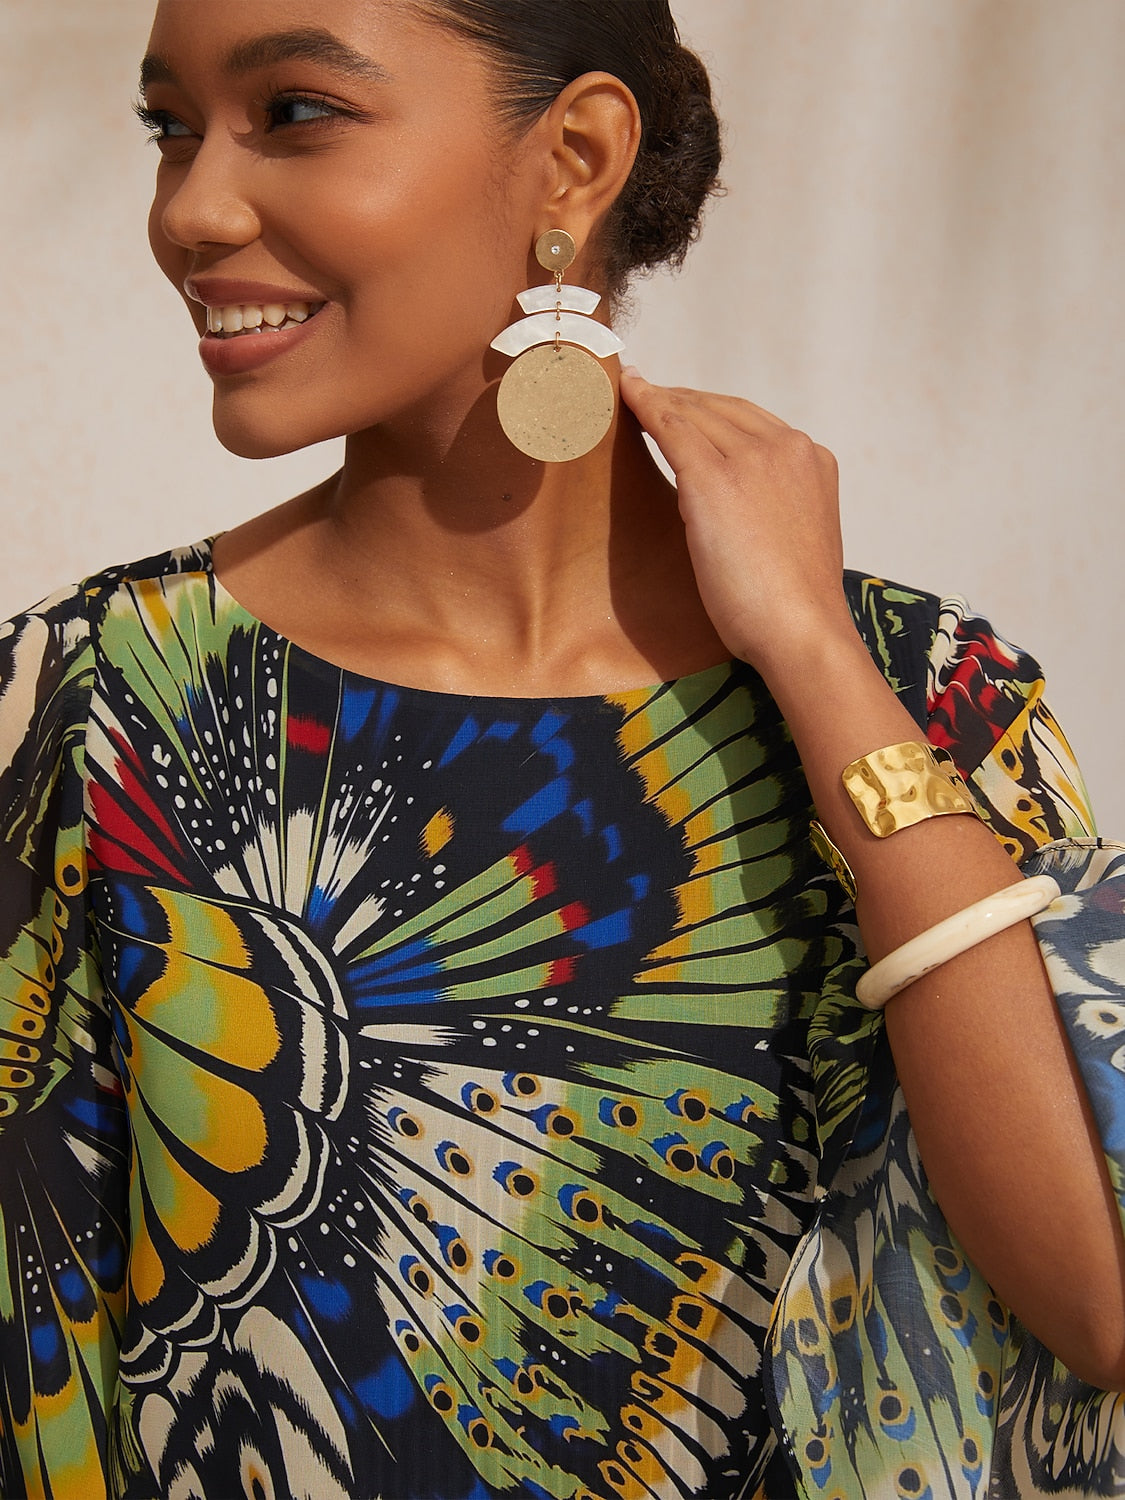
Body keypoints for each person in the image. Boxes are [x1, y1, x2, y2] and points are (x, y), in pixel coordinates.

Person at [1, 2, 1123, 1497]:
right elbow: (38, 1347)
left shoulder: (923, 688)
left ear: (576, 159)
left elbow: (1095, 1305)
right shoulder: (88, 698)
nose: (191, 211)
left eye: (294, 114)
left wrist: (812, 656)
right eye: (170, 129)